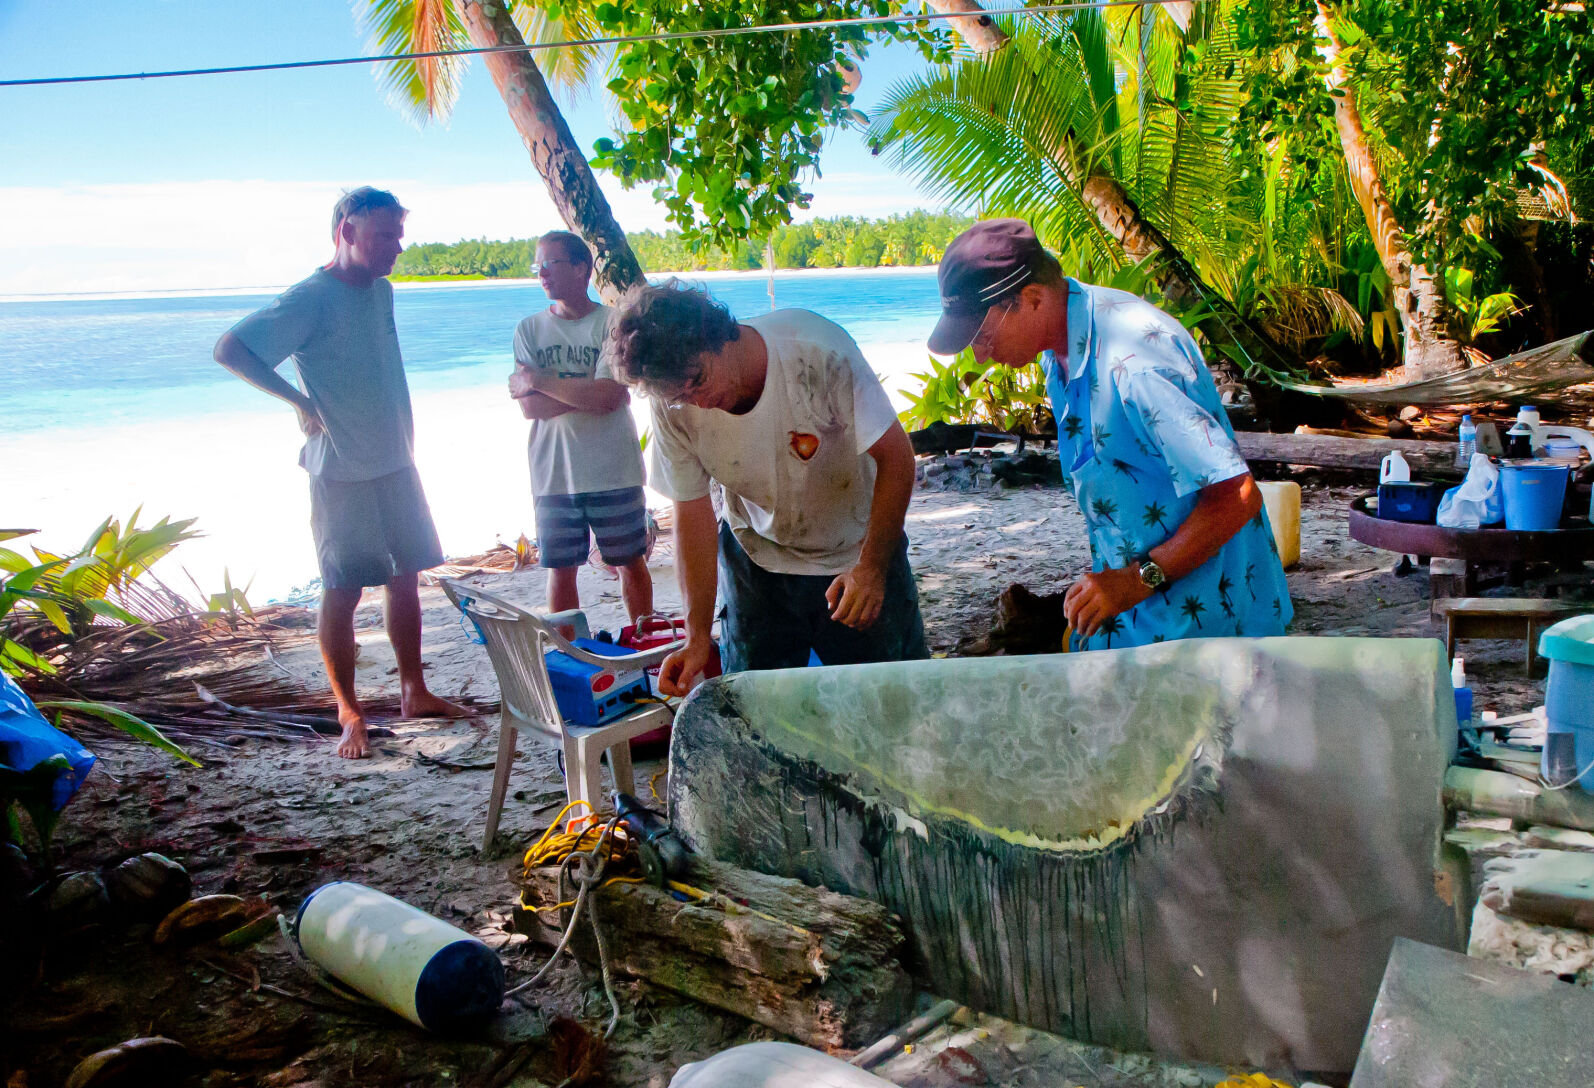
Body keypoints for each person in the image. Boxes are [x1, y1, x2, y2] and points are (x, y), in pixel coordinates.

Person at [927, 218, 1292, 649]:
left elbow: (1237, 496)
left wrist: (1136, 581)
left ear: (1032, 299)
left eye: (983, 334)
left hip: (1210, 630)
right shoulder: (1059, 347)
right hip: (1144, 615)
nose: (979, 353)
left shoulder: (1134, 364)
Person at [213, 186, 465, 759]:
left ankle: (413, 690)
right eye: (384, 236)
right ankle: (349, 710)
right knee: (343, 588)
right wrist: (299, 403)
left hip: (398, 460)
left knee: (407, 577)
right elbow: (231, 349)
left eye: (399, 236)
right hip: (342, 469)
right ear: (345, 232)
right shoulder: (310, 298)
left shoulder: (382, 292)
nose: (396, 248)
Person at [607, 281, 928, 695]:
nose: (698, 403)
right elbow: (692, 512)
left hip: (855, 549)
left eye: (699, 380)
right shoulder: (674, 400)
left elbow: (897, 457)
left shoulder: (815, 350)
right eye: (680, 396)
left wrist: (872, 568)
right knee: (758, 714)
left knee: (896, 702)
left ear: (718, 335)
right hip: (756, 557)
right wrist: (697, 636)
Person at [508, 231, 652, 623]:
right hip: (553, 473)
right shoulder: (528, 330)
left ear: (581, 268)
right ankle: (573, 658)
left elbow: (609, 398)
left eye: (550, 264)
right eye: (538, 266)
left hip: (612, 469)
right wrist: (583, 392)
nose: (542, 274)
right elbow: (531, 410)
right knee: (561, 569)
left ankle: (644, 639)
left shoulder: (612, 322)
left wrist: (538, 380)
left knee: (629, 562)